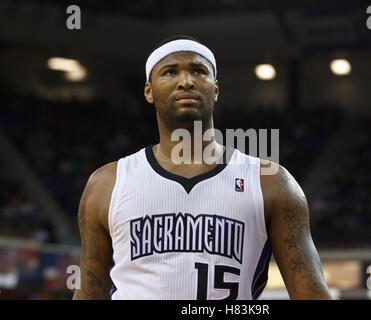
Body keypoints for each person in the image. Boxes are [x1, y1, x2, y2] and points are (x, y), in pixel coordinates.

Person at [72, 35, 333, 300]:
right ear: (149, 91)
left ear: (216, 89)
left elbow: (311, 294)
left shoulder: (270, 182)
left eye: (198, 71)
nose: (186, 81)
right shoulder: (107, 184)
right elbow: (89, 294)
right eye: (170, 72)